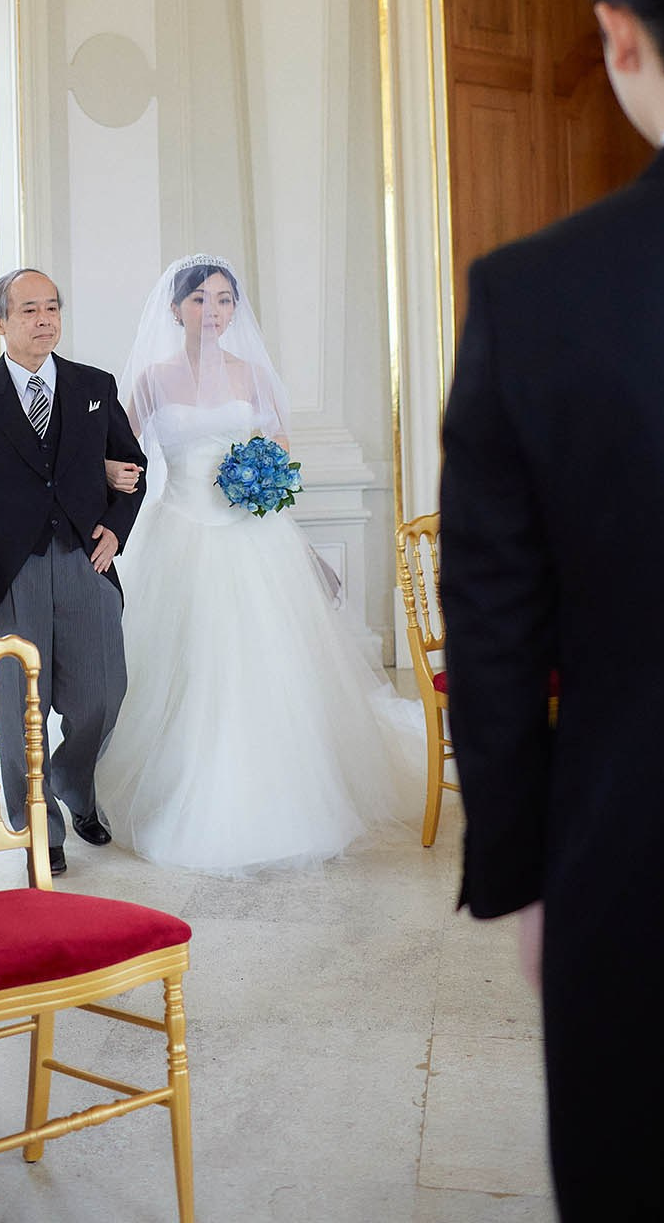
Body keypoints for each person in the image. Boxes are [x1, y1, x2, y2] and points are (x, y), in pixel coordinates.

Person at [439, 0, 664, 1221]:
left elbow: (495, 626)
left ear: (615, 33)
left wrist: (525, 875)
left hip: (631, 855)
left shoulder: (537, 298)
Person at [96, 255, 421, 873]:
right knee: (186, 665)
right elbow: (122, 454)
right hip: (180, 534)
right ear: (175, 309)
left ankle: (279, 794)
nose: (212, 312)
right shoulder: (151, 381)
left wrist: (262, 484)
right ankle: (173, 790)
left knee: (263, 664)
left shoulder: (254, 377)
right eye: (199, 300)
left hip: (250, 535)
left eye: (223, 300)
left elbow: (280, 452)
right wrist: (110, 473)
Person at [0, 268, 146, 877]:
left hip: (86, 562)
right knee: (21, 705)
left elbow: (134, 468)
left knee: (103, 696)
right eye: (29, 310)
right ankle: (39, 826)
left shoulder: (93, 387)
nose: (44, 319)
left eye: (52, 307)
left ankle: (76, 784)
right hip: (9, 573)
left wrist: (116, 527)